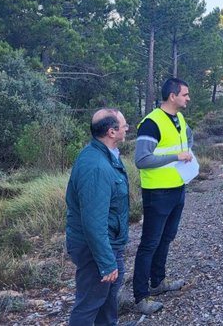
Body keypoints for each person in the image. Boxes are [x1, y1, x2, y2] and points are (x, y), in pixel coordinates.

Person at [133, 78, 194, 315]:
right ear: (172, 96)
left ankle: (158, 282)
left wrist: (188, 151)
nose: (188, 98)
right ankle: (141, 297)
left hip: (177, 188)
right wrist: (176, 157)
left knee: (166, 238)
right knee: (149, 243)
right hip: (157, 193)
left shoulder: (179, 118)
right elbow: (141, 160)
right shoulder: (151, 123)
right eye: (185, 94)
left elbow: (187, 137)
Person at [65, 108, 130, 325]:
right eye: (124, 125)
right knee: (89, 303)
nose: (127, 128)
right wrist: (106, 262)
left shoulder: (104, 155)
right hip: (96, 247)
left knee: (106, 297)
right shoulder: (96, 166)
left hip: (108, 244)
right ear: (112, 132)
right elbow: (93, 222)